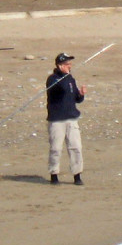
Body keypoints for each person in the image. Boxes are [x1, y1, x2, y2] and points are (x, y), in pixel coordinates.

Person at [46, 52, 86, 185]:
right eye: (67, 64)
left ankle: (77, 175)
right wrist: (63, 75)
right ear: (60, 65)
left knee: (76, 147)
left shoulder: (70, 79)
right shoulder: (52, 79)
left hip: (71, 118)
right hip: (57, 119)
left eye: (70, 64)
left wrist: (80, 95)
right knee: (56, 148)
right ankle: (54, 175)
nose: (70, 66)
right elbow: (61, 89)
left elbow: (76, 98)